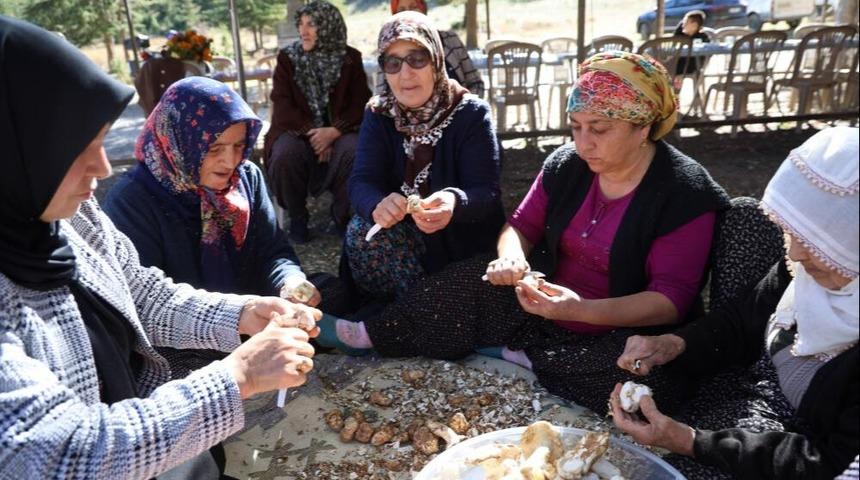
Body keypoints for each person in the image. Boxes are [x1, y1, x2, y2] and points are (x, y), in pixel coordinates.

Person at [323, 51, 731, 415]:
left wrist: (579, 311)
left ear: (643, 127)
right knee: (463, 283)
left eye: (599, 129)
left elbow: (668, 301)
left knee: (646, 384)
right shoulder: (567, 164)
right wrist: (512, 257)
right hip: (544, 303)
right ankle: (365, 335)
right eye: (575, 126)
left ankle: (520, 355)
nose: (583, 143)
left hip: (619, 327)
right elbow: (520, 226)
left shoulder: (683, 191)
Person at [0, 16, 319, 478]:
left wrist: (244, 313)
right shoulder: (120, 202)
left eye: (103, 141)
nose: (103, 167)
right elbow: (61, 453)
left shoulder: (68, 216)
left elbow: (142, 294)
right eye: (76, 149)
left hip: (155, 433)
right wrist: (238, 376)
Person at [609, 126, 859, 479]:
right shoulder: (818, 262)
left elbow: (824, 462)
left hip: (798, 441)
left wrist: (690, 441)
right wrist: (672, 344)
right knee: (747, 217)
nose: (795, 252)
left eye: (818, 243)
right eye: (793, 234)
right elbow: (743, 319)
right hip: (752, 381)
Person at [104, 76, 325, 377]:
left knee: (328, 291)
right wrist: (237, 321)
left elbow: (273, 251)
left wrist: (290, 284)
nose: (230, 161)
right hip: (180, 342)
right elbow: (147, 306)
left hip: (256, 317)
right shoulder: (133, 202)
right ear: (180, 141)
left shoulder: (246, 178)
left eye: (238, 145)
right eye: (214, 148)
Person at [342, 11, 505, 301]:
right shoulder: (379, 113)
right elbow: (361, 181)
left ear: (437, 60)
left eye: (417, 58)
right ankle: (413, 312)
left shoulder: (471, 113)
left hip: (460, 241)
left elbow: (486, 192)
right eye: (393, 62)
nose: (406, 74)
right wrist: (377, 204)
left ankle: (413, 318)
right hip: (401, 245)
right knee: (362, 231)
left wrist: (454, 201)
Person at [264, 0, 372, 244]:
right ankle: (297, 216)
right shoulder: (288, 59)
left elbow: (361, 103)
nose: (304, 30)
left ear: (328, 26)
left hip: (341, 132)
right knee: (285, 153)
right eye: (301, 24)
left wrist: (335, 131)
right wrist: (315, 134)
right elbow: (282, 105)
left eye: (312, 24)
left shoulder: (350, 58)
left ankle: (341, 215)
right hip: (298, 132)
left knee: (354, 151)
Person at [376, 0, 485, 98]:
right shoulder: (388, 49)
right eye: (401, 10)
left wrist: (464, 111)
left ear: (424, 9)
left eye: (414, 7)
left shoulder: (449, 39)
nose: (408, 13)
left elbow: (475, 83)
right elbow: (380, 94)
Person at [673, 10, 710, 77]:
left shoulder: (703, 37)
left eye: (686, 22)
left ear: (694, 25)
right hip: (677, 63)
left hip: (692, 65)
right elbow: (673, 46)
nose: (683, 24)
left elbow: (705, 54)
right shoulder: (680, 34)